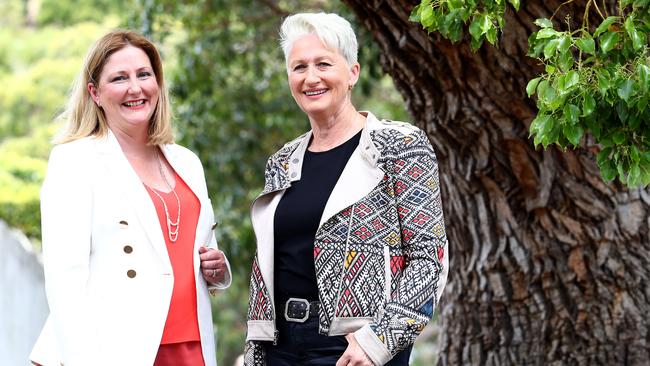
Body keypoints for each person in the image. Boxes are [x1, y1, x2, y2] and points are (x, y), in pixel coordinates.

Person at [243, 12, 449, 366]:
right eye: (299, 67)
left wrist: (378, 343)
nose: (311, 78)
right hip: (280, 347)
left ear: (352, 72)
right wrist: (255, 349)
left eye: (324, 64)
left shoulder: (400, 145)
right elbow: (271, 262)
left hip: (356, 346)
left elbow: (429, 258)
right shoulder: (282, 161)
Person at [28, 30, 231, 366]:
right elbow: (65, 282)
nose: (135, 88)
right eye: (119, 78)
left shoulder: (187, 162)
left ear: (158, 82)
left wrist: (218, 269)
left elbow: (196, 249)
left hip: (192, 344)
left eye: (143, 75)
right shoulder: (75, 160)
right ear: (95, 92)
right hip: (116, 349)